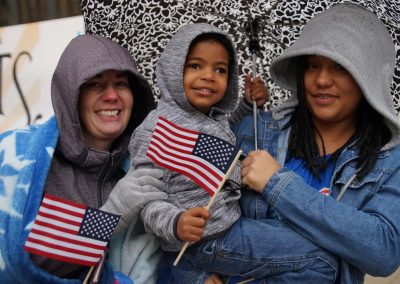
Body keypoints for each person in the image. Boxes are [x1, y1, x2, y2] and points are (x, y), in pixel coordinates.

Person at [105, 23, 340, 283]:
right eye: (195, 66)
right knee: (322, 262)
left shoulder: (211, 118)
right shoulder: (158, 129)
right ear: (173, 69)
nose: (209, 76)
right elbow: (146, 199)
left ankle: (190, 271)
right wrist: (176, 222)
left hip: (228, 226)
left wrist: (247, 105)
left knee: (315, 247)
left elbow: (221, 135)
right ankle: (187, 267)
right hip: (206, 239)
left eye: (220, 70)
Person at [234, 2, 400, 283]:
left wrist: (276, 183)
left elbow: (383, 252)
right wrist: (197, 275)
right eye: (312, 66)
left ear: (366, 76)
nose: (322, 80)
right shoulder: (255, 132)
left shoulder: (389, 158)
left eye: (340, 67)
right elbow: (197, 212)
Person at [0, 34, 166, 283]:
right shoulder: (20, 156)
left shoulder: (148, 166)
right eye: (95, 84)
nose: (111, 96)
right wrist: (111, 214)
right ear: (71, 95)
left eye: (121, 83)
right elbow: (21, 260)